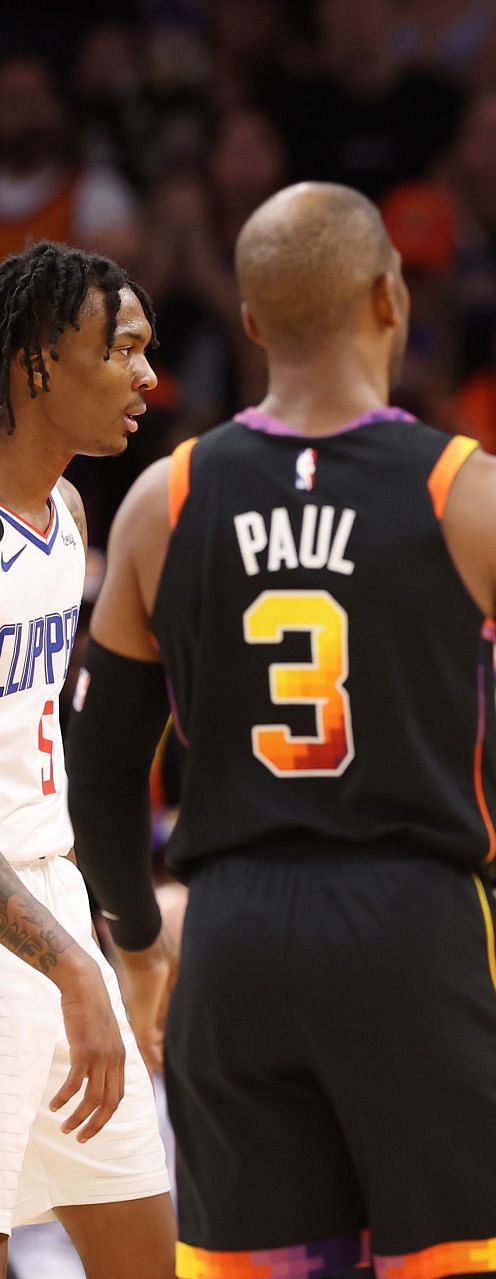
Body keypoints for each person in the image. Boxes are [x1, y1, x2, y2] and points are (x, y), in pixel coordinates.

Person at [63, 181, 496, 1278]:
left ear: (251, 323)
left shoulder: (164, 501)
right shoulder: (468, 491)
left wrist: (139, 946)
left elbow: (103, 771)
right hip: (413, 930)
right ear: (391, 298)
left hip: (237, 939)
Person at [0, 241, 172, 1276]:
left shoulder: (66, 515)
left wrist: (92, 943)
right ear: (36, 362)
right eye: (123, 350)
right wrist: (72, 963)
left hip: (50, 909)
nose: (148, 377)